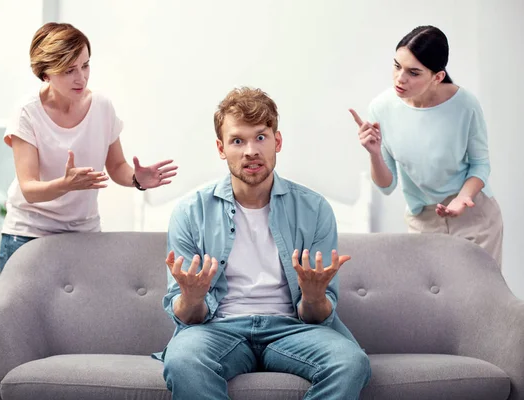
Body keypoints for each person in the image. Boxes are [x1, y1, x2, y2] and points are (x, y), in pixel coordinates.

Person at [158, 87, 370, 399]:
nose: (250, 151)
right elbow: (187, 317)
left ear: (277, 141)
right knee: (182, 359)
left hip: (292, 329)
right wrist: (191, 297)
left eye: (260, 137)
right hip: (217, 329)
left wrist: (313, 297)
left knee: (350, 362)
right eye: (237, 141)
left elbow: (319, 315)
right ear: (221, 148)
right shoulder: (191, 212)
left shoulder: (314, 209)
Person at [0, 22, 177, 271]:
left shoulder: (102, 106)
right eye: (69, 70)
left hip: (84, 234)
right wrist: (65, 185)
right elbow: (29, 189)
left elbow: (116, 166)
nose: (81, 78)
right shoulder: (27, 112)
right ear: (45, 73)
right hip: (29, 235)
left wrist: (137, 179)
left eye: (85, 65)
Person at [349, 25, 503, 267]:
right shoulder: (381, 108)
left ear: (437, 77)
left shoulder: (465, 105)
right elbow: (387, 186)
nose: (400, 78)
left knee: (477, 301)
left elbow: (480, 164)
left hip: (473, 218)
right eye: (397, 66)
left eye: (414, 72)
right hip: (423, 221)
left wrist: (462, 199)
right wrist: (375, 154)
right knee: (432, 304)